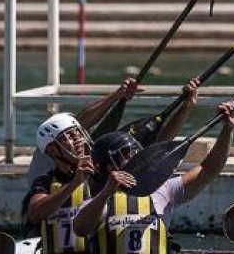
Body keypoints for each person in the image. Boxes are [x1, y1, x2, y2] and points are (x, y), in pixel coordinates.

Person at [22, 78, 199, 254]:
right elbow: (36, 214)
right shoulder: (45, 182)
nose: (78, 140)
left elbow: (160, 145)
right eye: (69, 137)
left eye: (79, 134)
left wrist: (186, 107)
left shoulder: (104, 173)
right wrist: (74, 184)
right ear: (53, 149)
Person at [72, 101, 234, 254]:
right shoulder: (97, 199)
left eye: (137, 151)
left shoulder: (163, 189)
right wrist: (106, 193)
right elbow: (80, 229)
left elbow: (208, 170)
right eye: (128, 155)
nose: (138, 156)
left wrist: (227, 130)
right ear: (109, 167)